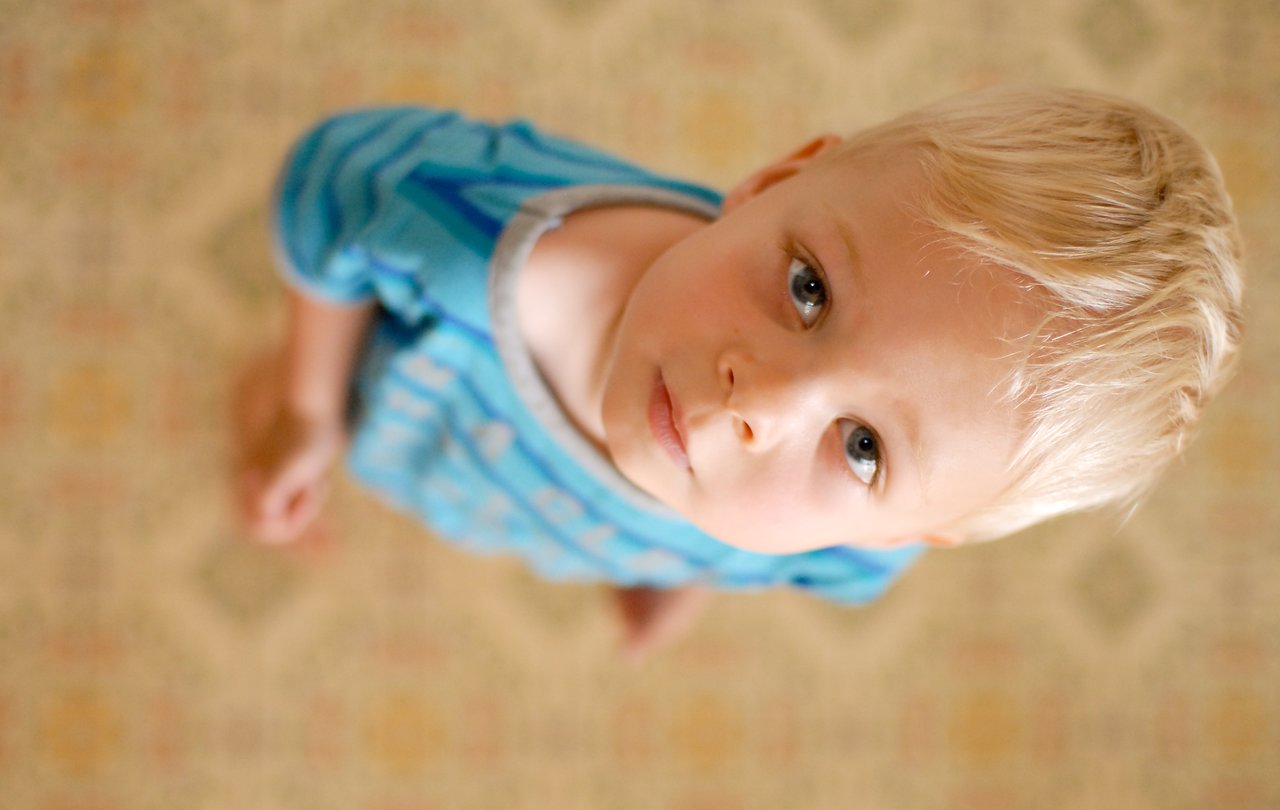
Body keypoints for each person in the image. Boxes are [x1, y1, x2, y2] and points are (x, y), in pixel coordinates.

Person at [233, 86, 1244, 660]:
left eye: (861, 447)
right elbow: (333, 181)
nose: (753, 401)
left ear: (902, 530)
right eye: (807, 288)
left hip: (521, 508)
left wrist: (678, 567)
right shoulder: (468, 235)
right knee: (285, 415)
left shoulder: (840, 552)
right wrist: (307, 404)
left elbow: (782, 552)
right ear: (773, 181)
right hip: (407, 391)